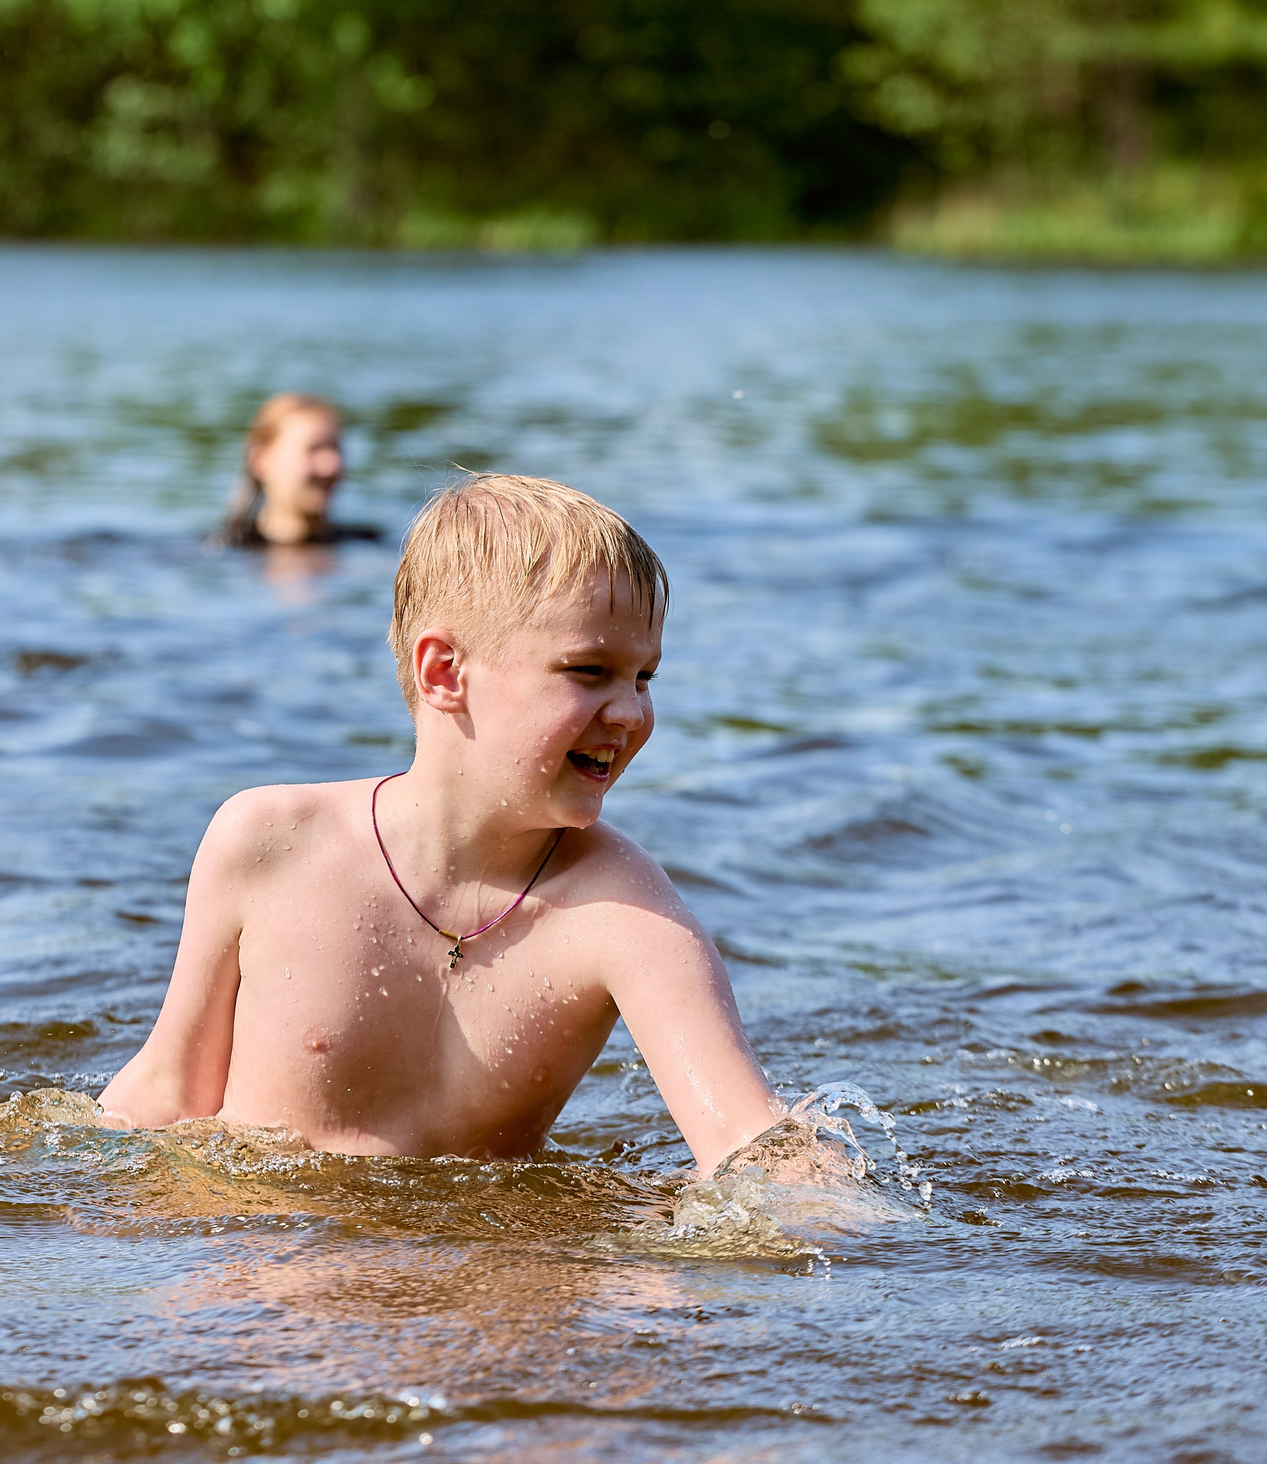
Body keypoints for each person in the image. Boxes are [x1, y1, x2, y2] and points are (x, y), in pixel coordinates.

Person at [101, 473, 783, 1175]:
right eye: (588, 670)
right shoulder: (272, 842)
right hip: (264, 1237)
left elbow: (746, 1139)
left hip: (481, 1249)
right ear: (444, 672)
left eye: (644, 678)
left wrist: (820, 1204)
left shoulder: (622, 909)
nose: (632, 713)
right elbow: (167, 1089)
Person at [213, 393, 383, 549]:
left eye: (336, 448)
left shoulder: (370, 545)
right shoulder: (219, 549)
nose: (333, 466)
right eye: (314, 449)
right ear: (261, 461)